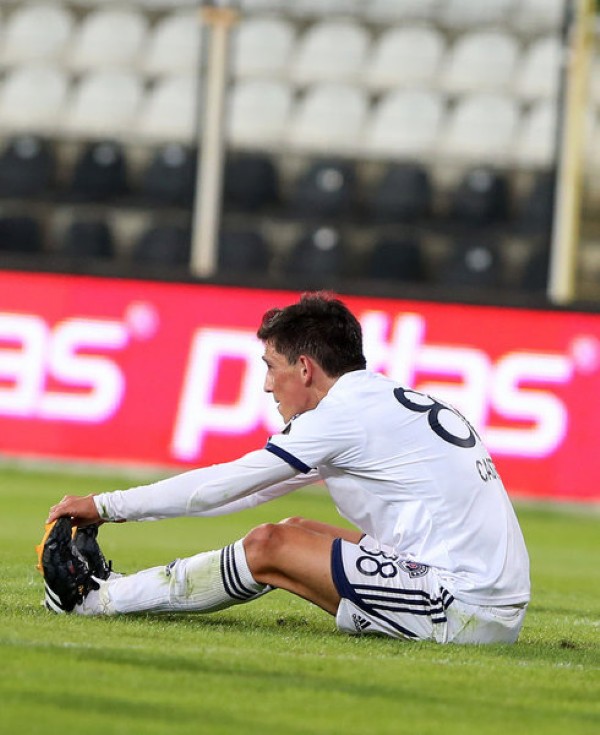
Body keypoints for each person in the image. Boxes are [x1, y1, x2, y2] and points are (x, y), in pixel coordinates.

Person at [41, 292, 530, 644]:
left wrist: (106, 506)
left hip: (464, 606)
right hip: (485, 596)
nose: (266, 385)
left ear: (305, 369)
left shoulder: (343, 416)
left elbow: (222, 486)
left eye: (271, 366)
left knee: (270, 545)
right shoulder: (379, 399)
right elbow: (247, 491)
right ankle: (116, 590)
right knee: (297, 530)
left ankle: (98, 601)